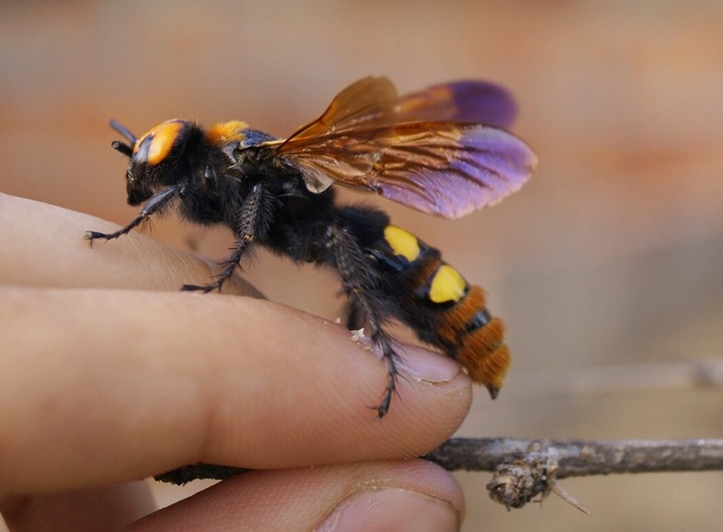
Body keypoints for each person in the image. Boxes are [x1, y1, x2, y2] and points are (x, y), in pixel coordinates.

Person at [0, 192, 472, 531]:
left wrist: (221, 271)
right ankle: (383, 353)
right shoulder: (226, 183)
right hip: (377, 253)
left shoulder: (249, 176)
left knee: (337, 236)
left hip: (419, 276)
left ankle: (385, 353)